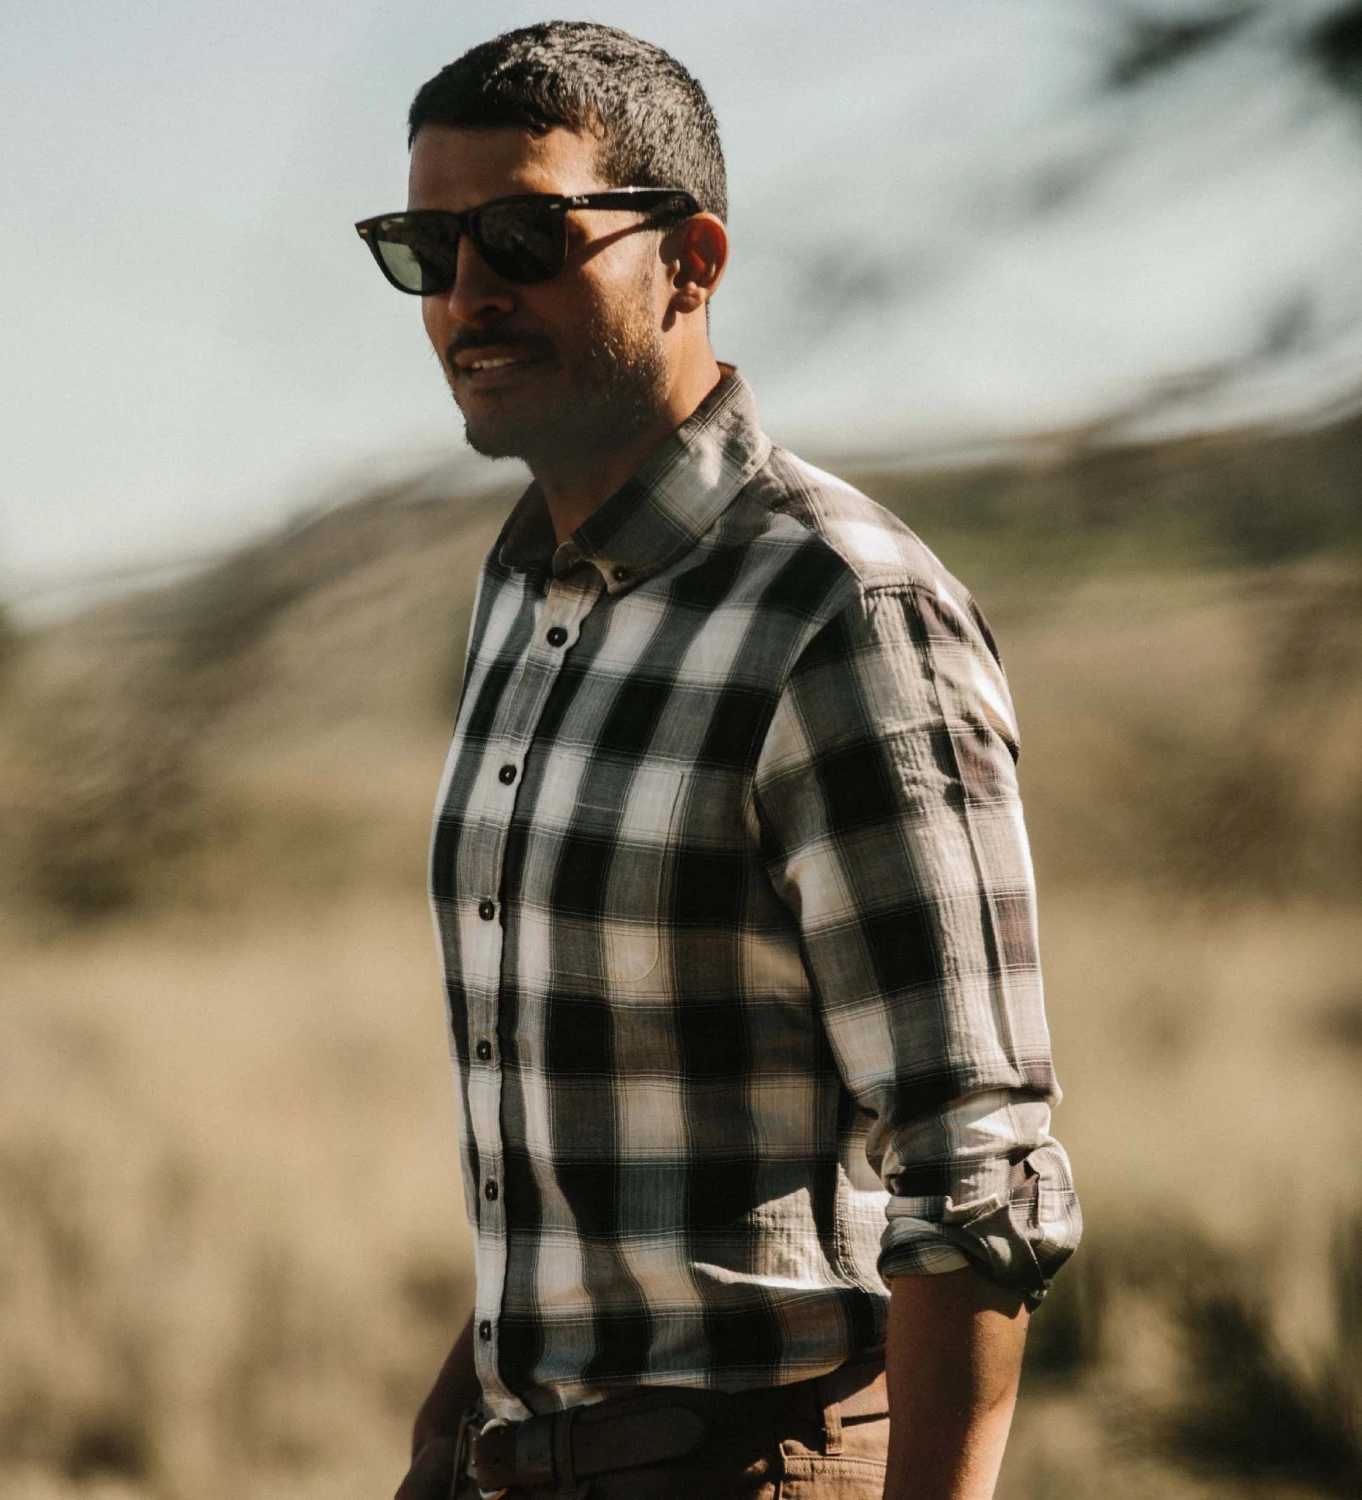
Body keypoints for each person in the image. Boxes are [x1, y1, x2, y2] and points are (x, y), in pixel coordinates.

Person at [357, 22, 1081, 1500]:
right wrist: (471, 1403)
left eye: (523, 237)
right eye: (426, 250)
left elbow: (976, 1167)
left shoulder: (841, 609)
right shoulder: (523, 593)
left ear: (690, 260)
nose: (470, 290)